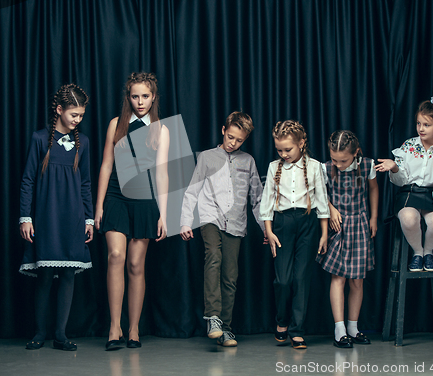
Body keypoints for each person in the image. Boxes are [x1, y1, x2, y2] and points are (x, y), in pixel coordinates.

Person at [95, 72, 169, 350]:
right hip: (115, 196)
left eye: (145, 96)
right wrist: (99, 204)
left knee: (136, 265)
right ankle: (114, 327)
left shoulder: (161, 130)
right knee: (116, 256)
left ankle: (134, 328)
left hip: (145, 200)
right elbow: (105, 166)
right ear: (128, 97)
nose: (140, 102)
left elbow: (162, 173)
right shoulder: (116, 124)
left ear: (153, 98)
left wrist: (164, 213)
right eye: (135, 96)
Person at [180, 112, 265, 347]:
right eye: (230, 137)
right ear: (223, 130)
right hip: (210, 217)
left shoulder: (247, 161)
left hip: (236, 222)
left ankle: (226, 328)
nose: (233, 143)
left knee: (230, 276)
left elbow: (257, 198)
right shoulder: (207, 157)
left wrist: (265, 228)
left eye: (239, 140)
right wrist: (186, 221)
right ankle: (213, 318)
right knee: (214, 257)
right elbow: (192, 190)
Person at [19, 84, 92, 351]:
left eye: (81, 115)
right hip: (46, 216)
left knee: (69, 274)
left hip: (72, 217)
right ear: (59, 110)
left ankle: (60, 335)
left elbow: (85, 183)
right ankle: (40, 333)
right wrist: (25, 217)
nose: (77, 120)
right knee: (46, 274)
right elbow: (27, 180)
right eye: (74, 114)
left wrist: (88, 219)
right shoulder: (39, 139)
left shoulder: (83, 143)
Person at [260, 120, 329, 349]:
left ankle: (297, 330)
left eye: (287, 149)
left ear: (301, 143)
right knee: (283, 280)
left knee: (301, 279)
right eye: (279, 150)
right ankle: (281, 321)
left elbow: (322, 201)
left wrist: (324, 233)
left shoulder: (316, 166)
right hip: (282, 224)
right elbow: (267, 202)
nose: (283, 154)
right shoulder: (273, 167)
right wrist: (269, 231)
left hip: (308, 223)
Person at [375, 93, 433, 272]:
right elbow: (401, 181)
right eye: (419, 124)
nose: (421, 129)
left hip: (430, 197)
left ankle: (429, 252)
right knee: (408, 217)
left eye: (427, 125)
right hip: (408, 194)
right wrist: (395, 168)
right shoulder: (408, 146)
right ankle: (418, 253)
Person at [318, 130, 379, 348]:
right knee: (338, 278)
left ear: (356, 153)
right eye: (334, 159)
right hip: (339, 226)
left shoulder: (367, 165)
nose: (338, 164)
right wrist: (330, 209)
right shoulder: (325, 168)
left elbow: (373, 189)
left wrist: (373, 217)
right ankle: (340, 329)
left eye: (343, 160)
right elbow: (318, 193)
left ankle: (353, 327)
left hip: (360, 224)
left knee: (357, 280)